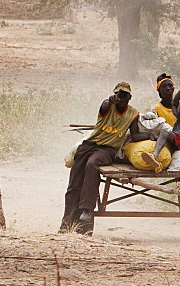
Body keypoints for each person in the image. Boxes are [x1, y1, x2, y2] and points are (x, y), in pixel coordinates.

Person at [61, 82, 148, 234]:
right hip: (88, 145)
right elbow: (104, 104)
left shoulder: (133, 113)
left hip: (107, 150)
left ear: (130, 97)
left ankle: (86, 210)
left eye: (125, 95)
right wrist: (109, 100)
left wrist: (151, 135)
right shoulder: (107, 107)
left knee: (92, 164)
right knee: (74, 184)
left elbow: (135, 135)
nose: (121, 98)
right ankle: (66, 225)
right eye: (119, 95)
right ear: (115, 95)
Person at [124, 73, 176, 172]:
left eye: (170, 86)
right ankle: (155, 158)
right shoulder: (156, 109)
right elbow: (154, 127)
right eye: (164, 87)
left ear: (173, 89)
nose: (168, 89)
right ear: (159, 91)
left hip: (177, 139)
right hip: (164, 141)